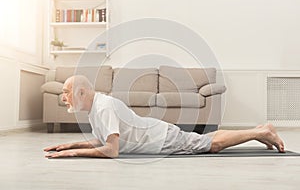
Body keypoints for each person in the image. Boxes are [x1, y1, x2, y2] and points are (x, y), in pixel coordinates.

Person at [44, 75, 285, 158]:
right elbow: (102, 140)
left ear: (81, 92)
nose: (64, 97)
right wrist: (71, 144)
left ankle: (262, 132)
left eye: (66, 93)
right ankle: (260, 130)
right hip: (160, 134)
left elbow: (111, 150)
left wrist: (74, 153)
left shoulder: (103, 106)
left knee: (211, 145)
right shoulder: (95, 108)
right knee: (206, 140)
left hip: (162, 139)